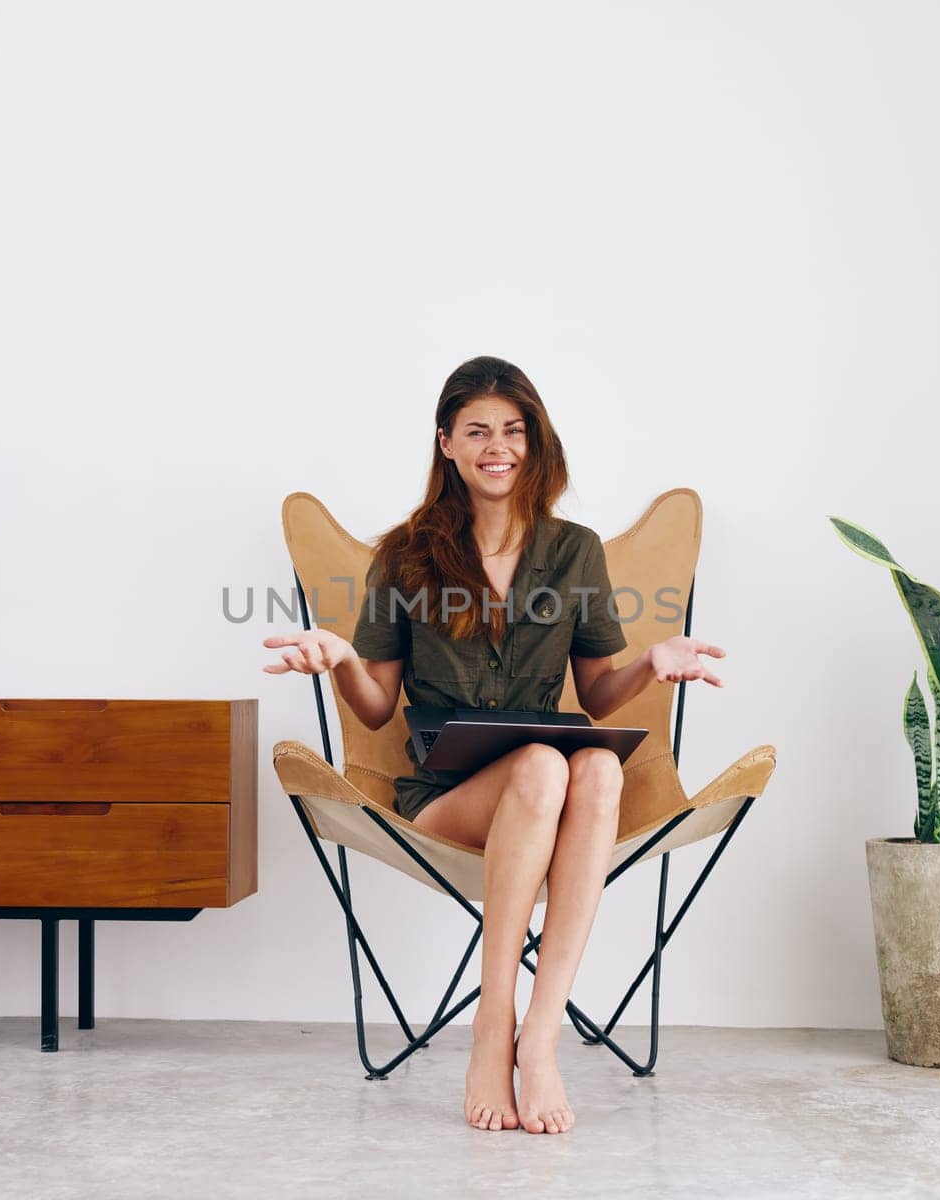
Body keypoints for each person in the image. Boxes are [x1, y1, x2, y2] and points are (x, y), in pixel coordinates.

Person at [263, 356, 726, 1135]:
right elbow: (377, 710)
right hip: (446, 803)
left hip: (547, 795)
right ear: (446, 443)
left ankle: (536, 1041)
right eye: (477, 431)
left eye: (513, 430)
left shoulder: (574, 551)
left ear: (534, 441)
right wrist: (341, 657)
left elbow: (597, 691)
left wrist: (650, 662)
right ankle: (491, 1027)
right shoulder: (407, 555)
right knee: (548, 765)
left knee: (596, 772)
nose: (497, 446)